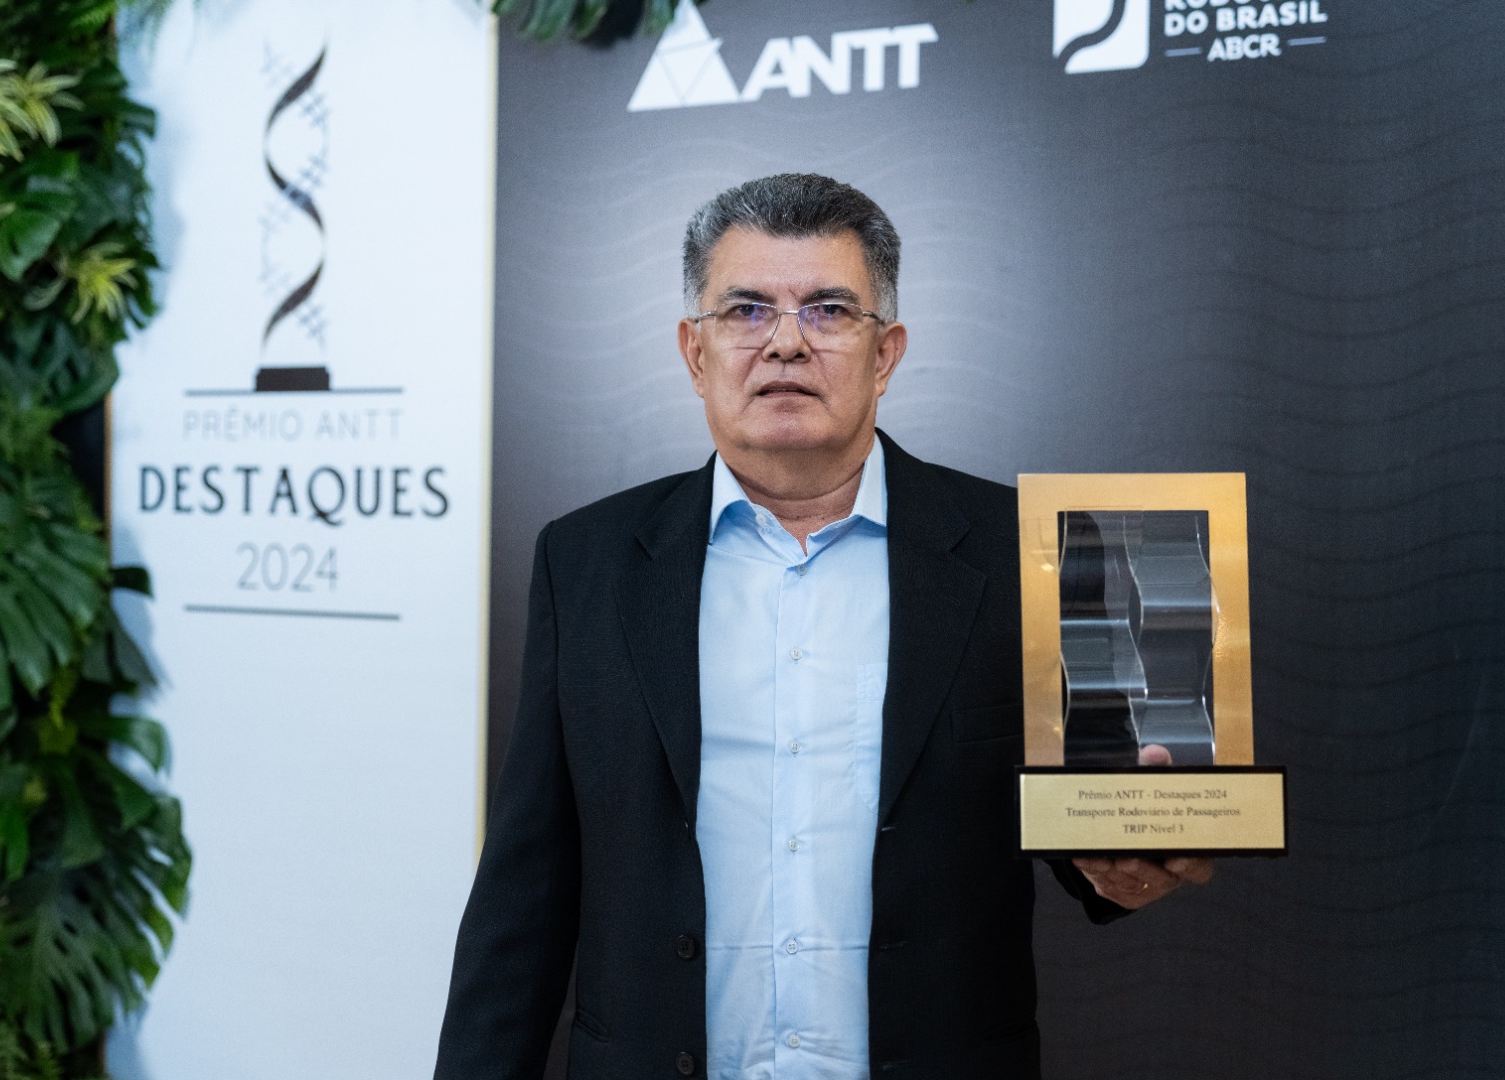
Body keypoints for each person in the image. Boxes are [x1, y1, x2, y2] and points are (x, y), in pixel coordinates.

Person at [434, 173, 1212, 1080]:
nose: (786, 342)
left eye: (829, 311)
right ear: (694, 352)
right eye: (746, 310)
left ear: (887, 353)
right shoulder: (586, 563)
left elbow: (1098, 825)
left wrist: (1131, 854)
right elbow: (524, 891)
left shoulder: (1028, 553)